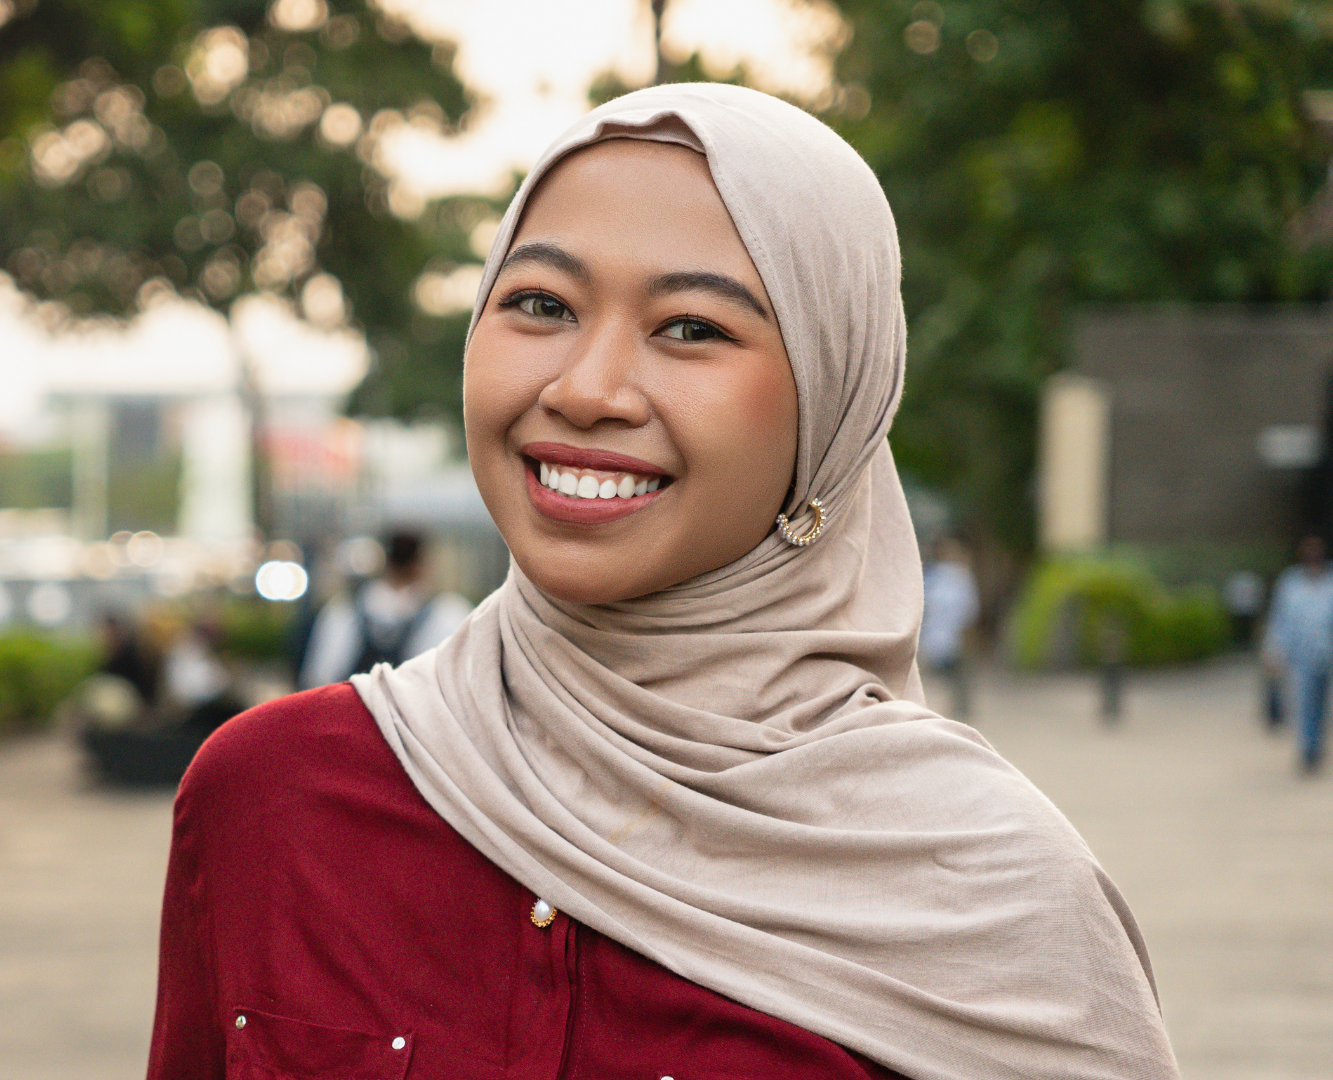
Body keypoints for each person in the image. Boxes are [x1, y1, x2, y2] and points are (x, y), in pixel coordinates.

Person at [147, 85, 1176, 1079]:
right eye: (540, 303)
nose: (584, 390)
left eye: (692, 326)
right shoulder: (275, 801)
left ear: (834, 404)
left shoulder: (997, 899)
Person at [296, 530, 471, 689]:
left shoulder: (344, 610)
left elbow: (318, 677)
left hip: (355, 719)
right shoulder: (449, 613)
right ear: (422, 563)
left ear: (384, 561)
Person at [1262, 534, 1333, 774]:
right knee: (1304, 702)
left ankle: (1317, 743)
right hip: (1300, 656)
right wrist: (1273, 650)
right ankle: (1308, 749)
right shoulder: (1290, 582)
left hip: (1327, 655)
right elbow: (1279, 619)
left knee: (1322, 704)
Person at [919, 537, 979, 719]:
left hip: (947, 636)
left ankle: (952, 712)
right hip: (937, 637)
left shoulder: (952, 577)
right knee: (941, 681)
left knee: (951, 680)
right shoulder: (937, 576)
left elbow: (968, 612)